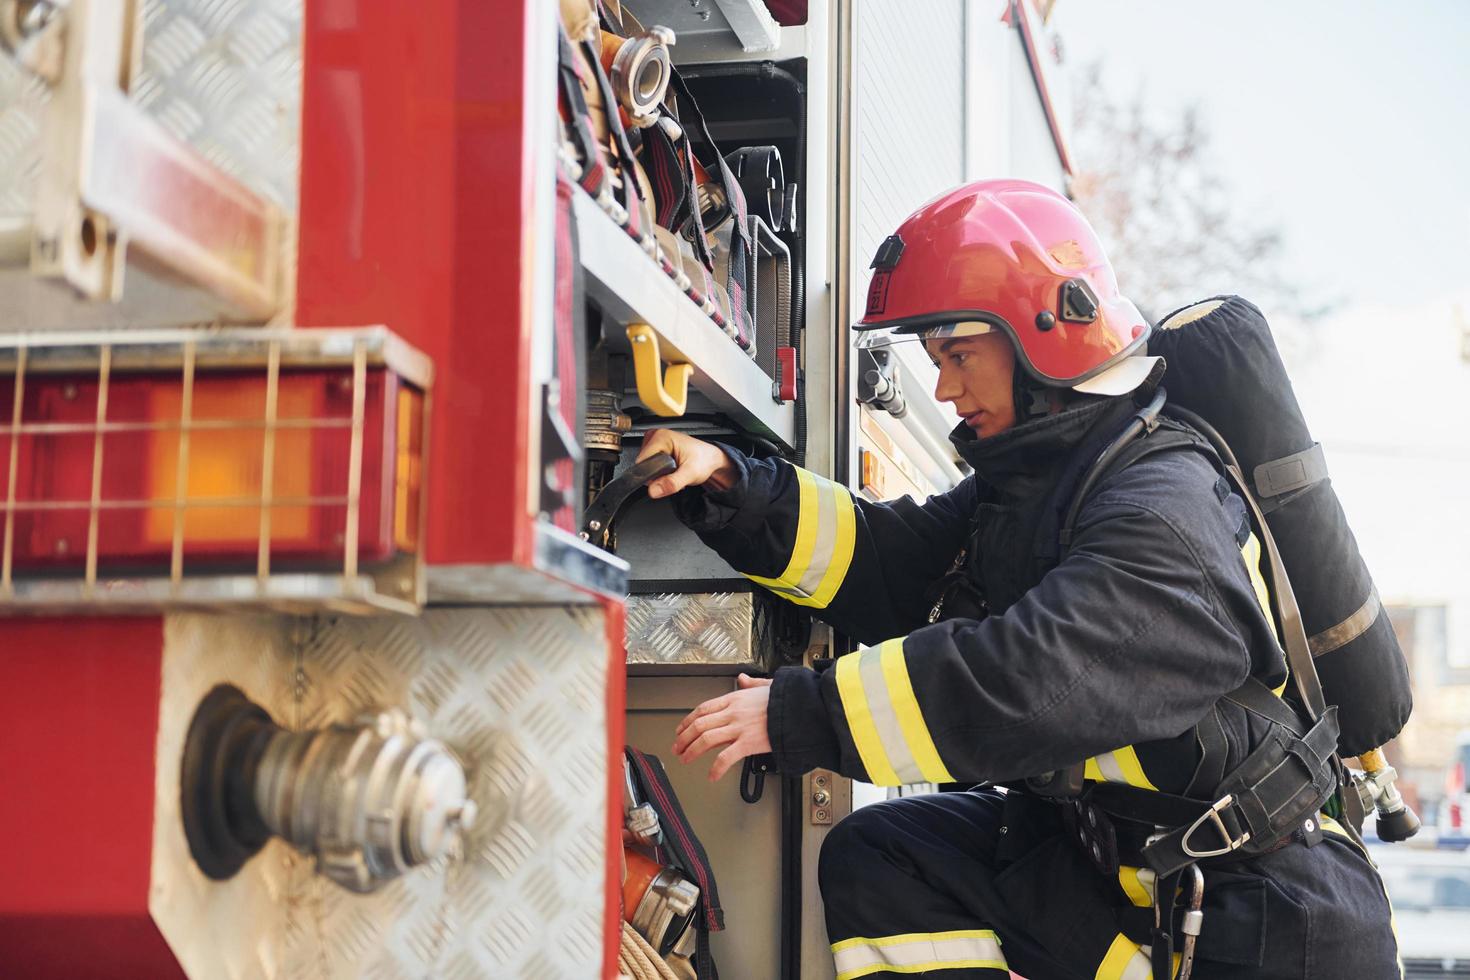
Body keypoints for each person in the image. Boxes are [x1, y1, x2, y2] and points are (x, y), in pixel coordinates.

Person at [637, 180, 1398, 979]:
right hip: (1138, 879)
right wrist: (732, 485)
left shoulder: (1162, 508)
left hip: (1274, 927)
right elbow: (888, 561)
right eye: (934, 362)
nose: (943, 390)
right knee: (889, 858)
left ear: (1047, 336)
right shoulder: (1043, 486)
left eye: (959, 355)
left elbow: (1029, 681)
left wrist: (804, 712)